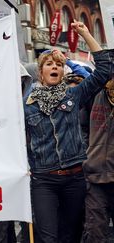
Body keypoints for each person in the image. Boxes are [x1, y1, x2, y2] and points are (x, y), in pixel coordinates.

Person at [24, 20, 112, 243]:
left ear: (63, 71)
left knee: (70, 235)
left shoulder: (74, 95)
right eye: (49, 64)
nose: (54, 67)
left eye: (58, 65)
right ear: (41, 72)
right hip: (43, 180)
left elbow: (104, 70)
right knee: (48, 236)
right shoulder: (27, 103)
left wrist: (85, 33)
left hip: (74, 177)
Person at [82, 77, 114, 242]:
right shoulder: (94, 91)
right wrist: (86, 153)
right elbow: (81, 127)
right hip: (95, 176)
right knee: (95, 232)